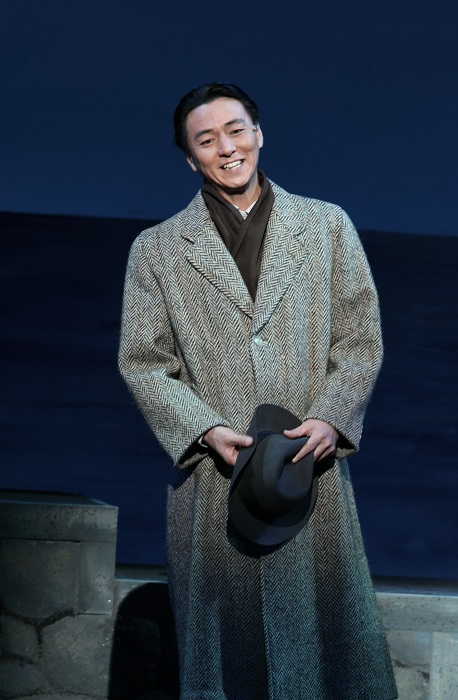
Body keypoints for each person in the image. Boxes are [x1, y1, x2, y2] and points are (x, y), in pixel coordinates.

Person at [118, 82, 397, 700]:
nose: (227, 148)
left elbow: (360, 340)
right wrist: (203, 429)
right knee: (227, 659)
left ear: (259, 134)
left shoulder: (325, 226)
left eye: (236, 130)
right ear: (190, 158)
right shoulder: (157, 249)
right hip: (215, 482)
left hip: (307, 469)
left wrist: (332, 418)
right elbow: (144, 363)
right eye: (206, 139)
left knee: (329, 654)